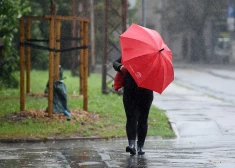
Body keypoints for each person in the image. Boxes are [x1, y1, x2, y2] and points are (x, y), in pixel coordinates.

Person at [113, 56, 153, 155]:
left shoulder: (152, 58)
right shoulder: (131, 54)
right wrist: (120, 67)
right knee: (131, 117)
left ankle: (140, 147)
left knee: (143, 119)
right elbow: (115, 63)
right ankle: (131, 145)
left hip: (146, 93)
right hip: (130, 92)